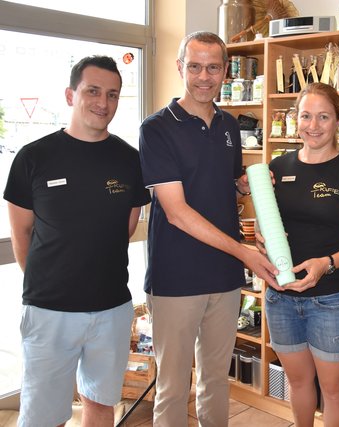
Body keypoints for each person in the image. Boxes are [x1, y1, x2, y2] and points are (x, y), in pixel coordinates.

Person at [138, 31, 278, 427]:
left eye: (213, 67)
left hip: (225, 277)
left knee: (217, 379)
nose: (204, 76)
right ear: (181, 67)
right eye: (195, 66)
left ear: (224, 71)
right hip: (176, 278)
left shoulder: (230, 126)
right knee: (172, 386)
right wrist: (243, 251)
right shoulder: (157, 128)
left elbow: (225, 182)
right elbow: (178, 212)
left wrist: (242, 184)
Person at [4, 55, 150, 427]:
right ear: (71, 95)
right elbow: (21, 233)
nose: (103, 103)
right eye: (93, 91)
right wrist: (47, 283)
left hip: (112, 309)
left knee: (101, 405)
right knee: (43, 415)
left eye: (113, 94)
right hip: (49, 311)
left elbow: (127, 226)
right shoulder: (33, 157)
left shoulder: (130, 159)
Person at [260, 82, 339, 427]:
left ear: (338, 120)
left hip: (332, 299)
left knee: (335, 389)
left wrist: (326, 263)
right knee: (297, 381)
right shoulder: (276, 168)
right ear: (296, 119)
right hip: (280, 295)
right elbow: (268, 223)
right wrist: (263, 241)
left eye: (323, 116)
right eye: (306, 116)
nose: (313, 125)